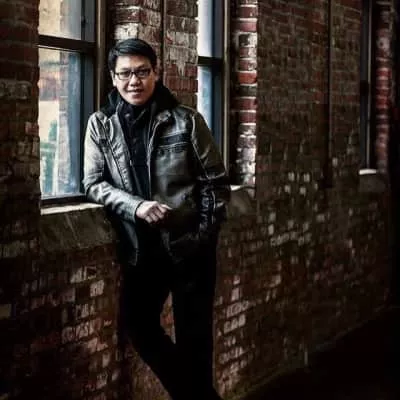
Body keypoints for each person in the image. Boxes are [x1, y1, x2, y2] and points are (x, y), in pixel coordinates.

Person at [82, 38, 230, 400]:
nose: (134, 81)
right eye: (125, 73)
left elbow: (215, 185)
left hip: (190, 248)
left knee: (195, 342)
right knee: (139, 326)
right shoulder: (101, 125)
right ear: (113, 77)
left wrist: (200, 238)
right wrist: (135, 206)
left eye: (142, 72)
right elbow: (93, 183)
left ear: (156, 73)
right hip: (142, 252)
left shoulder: (186, 121)